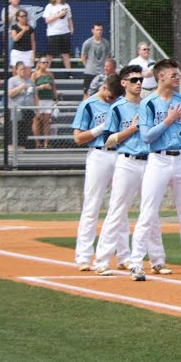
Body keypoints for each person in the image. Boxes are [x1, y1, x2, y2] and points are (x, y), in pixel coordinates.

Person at [128, 59, 181, 280]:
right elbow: (146, 136)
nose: (177, 77)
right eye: (173, 74)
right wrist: (168, 121)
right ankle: (136, 263)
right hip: (158, 159)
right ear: (161, 77)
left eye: (177, 74)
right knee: (148, 211)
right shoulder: (148, 103)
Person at [93, 64, 151, 274]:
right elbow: (108, 140)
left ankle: (155, 261)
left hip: (149, 161)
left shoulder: (148, 105)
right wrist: (132, 129)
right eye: (134, 80)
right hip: (127, 161)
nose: (138, 84)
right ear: (124, 83)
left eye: (140, 80)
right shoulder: (117, 107)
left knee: (149, 212)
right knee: (117, 210)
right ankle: (101, 261)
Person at [71, 73, 122, 271]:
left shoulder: (120, 103)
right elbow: (78, 138)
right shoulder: (89, 104)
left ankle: (123, 256)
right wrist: (100, 128)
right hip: (99, 154)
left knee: (119, 207)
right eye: (110, 95)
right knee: (92, 206)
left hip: (120, 154)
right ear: (104, 87)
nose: (112, 100)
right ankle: (83, 256)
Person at [6, 61, 37, 150]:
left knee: (26, 130)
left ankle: (23, 148)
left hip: (28, 110)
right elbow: (10, 93)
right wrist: (21, 87)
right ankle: (13, 149)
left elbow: (35, 96)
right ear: (16, 70)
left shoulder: (30, 81)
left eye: (24, 69)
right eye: (21, 69)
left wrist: (36, 108)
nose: (23, 71)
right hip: (16, 110)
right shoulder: (12, 80)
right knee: (15, 130)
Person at [43, 0, 74, 69]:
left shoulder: (66, 5)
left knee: (65, 54)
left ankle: (68, 73)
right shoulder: (49, 6)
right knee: (50, 54)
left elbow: (69, 18)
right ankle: (46, 71)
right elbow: (47, 20)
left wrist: (71, 28)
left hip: (65, 32)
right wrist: (58, 15)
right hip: (53, 33)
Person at [32, 56, 59, 149]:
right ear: (39, 64)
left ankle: (46, 143)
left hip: (48, 99)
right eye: (43, 62)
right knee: (37, 120)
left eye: (46, 62)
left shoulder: (50, 74)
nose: (45, 64)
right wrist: (42, 86)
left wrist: (56, 97)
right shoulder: (35, 74)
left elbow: (54, 87)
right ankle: (37, 142)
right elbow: (31, 88)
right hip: (39, 99)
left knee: (46, 121)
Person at [80, 23, 112, 94]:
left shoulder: (106, 43)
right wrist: (88, 66)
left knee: (103, 92)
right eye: (97, 30)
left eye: (101, 30)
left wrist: (105, 67)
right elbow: (83, 56)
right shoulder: (88, 43)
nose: (99, 32)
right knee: (87, 93)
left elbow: (107, 56)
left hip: (102, 72)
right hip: (90, 72)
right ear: (93, 30)